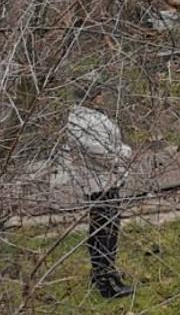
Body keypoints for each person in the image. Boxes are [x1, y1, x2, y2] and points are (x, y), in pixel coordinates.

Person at [65, 80, 136, 299]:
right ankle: (107, 282)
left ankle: (101, 273)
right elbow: (101, 152)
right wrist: (124, 153)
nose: (103, 96)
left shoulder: (82, 117)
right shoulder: (85, 121)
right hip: (101, 182)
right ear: (92, 95)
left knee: (100, 229)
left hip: (99, 180)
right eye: (99, 93)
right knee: (107, 231)